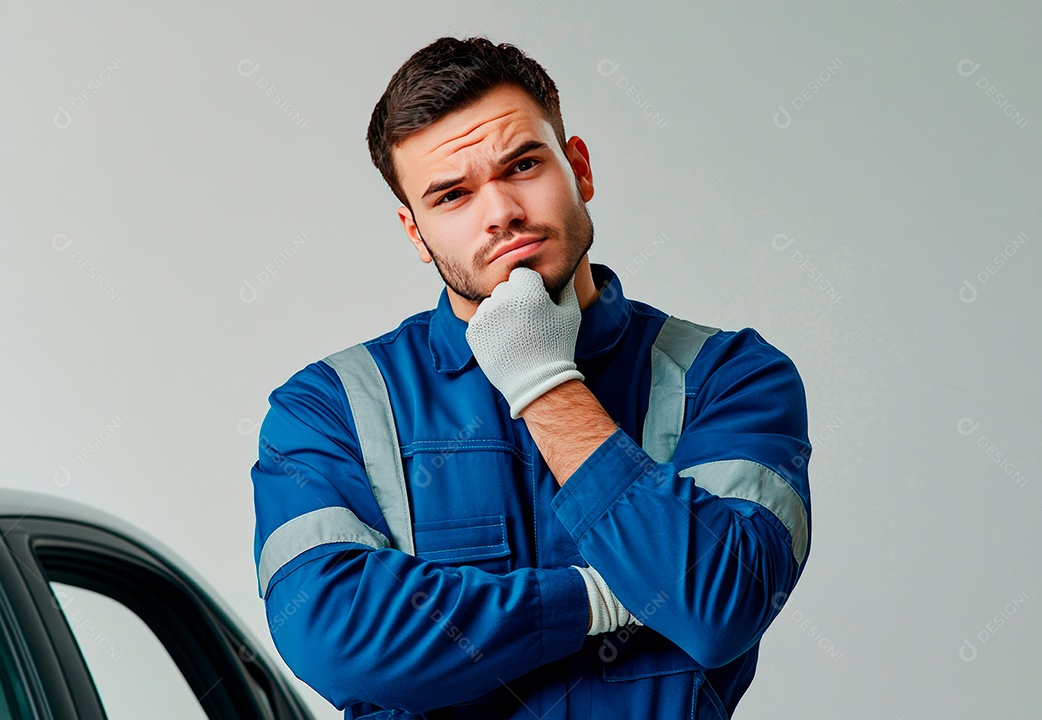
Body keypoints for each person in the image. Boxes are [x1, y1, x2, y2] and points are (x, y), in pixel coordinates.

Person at [250, 35, 812, 720]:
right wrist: (599, 599)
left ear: (579, 168)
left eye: (522, 165)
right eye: (452, 195)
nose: (501, 213)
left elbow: (722, 602)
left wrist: (543, 380)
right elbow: (335, 636)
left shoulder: (731, 377)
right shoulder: (327, 409)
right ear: (414, 231)